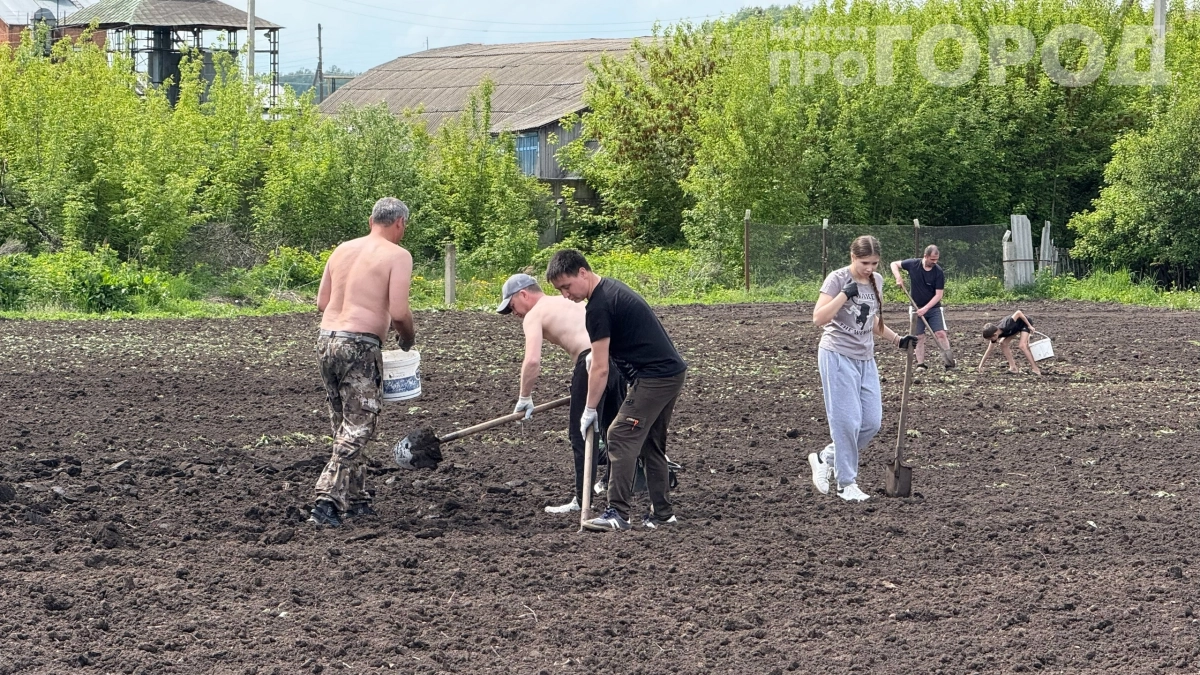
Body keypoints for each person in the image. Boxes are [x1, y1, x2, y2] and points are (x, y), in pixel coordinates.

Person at [546, 249, 687, 532]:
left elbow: (600, 369)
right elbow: (610, 346)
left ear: (582, 272)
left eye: (567, 286)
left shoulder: (599, 306)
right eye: (560, 290)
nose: (565, 295)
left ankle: (618, 514)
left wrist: (589, 409)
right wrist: (595, 355)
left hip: (655, 377)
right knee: (649, 444)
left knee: (619, 436)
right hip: (671, 372)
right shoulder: (611, 290)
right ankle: (662, 514)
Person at [309, 197, 416, 527]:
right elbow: (399, 311)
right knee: (360, 425)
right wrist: (407, 339)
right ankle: (326, 498)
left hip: (327, 340)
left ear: (371, 221)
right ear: (400, 223)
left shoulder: (342, 249)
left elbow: (322, 302)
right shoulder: (397, 255)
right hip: (359, 345)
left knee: (343, 424)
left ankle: (356, 499)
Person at [497, 273, 626, 515]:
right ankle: (618, 491)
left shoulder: (535, 314)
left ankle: (582, 500)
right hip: (615, 361)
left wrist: (524, 397)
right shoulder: (569, 301)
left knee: (581, 435)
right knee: (615, 431)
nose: (514, 314)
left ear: (523, 294)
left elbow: (532, 361)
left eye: (512, 306)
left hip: (589, 364)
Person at [809, 235, 916, 502]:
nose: (870, 268)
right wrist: (844, 294)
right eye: (864, 263)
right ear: (853, 257)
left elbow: (871, 319)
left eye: (874, 263)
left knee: (870, 422)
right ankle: (846, 483)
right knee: (847, 422)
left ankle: (826, 458)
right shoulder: (837, 279)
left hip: (865, 358)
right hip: (837, 354)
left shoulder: (876, 280)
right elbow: (819, 318)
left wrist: (897, 339)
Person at [890, 244, 951, 370]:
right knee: (918, 337)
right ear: (925, 256)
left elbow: (938, 295)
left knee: (940, 333)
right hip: (915, 308)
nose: (935, 262)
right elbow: (893, 264)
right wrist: (898, 277)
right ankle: (921, 364)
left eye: (936, 259)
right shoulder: (913, 264)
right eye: (932, 259)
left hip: (933, 308)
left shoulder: (938, 272)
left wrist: (925, 309)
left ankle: (949, 363)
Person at [977, 310, 1042, 376]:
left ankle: (1036, 369)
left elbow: (1018, 313)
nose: (991, 340)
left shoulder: (1007, 325)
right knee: (1003, 343)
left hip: (1024, 323)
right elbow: (989, 350)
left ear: (995, 335)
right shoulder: (995, 334)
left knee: (1022, 345)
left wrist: (1029, 326)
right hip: (1014, 328)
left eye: (990, 339)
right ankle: (1013, 368)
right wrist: (981, 365)